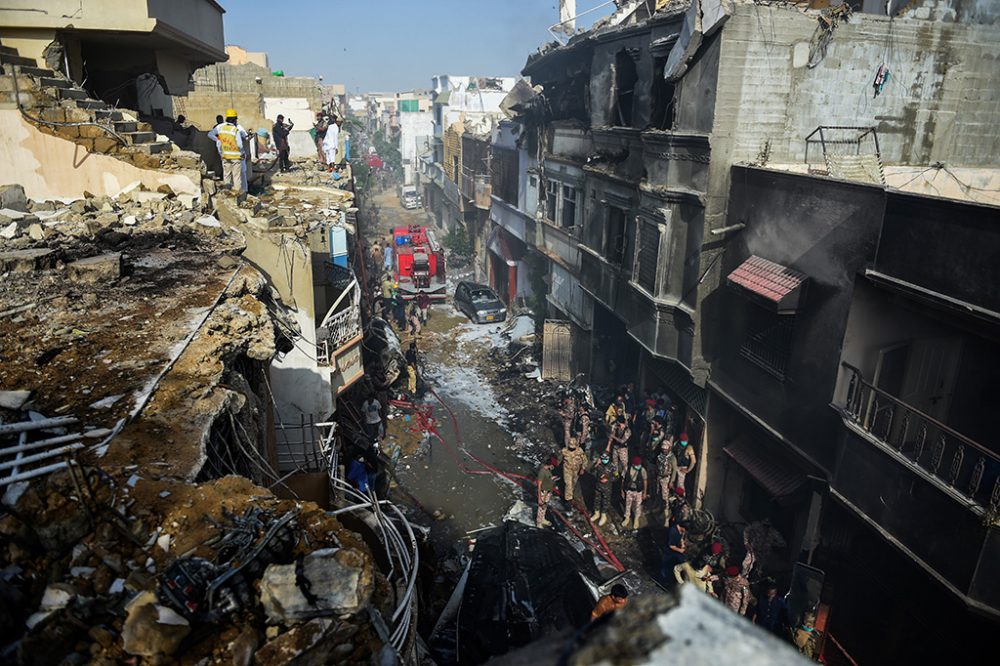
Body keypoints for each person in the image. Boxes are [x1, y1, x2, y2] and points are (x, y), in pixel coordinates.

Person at [207, 109, 247, 196]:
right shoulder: (234, 130)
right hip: (235, 157)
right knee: (236, 176)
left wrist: (218, 141)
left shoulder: (221, 129)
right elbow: (240, 145)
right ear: (234, 120)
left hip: (225, 156)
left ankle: (226, 192)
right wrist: (242, 153)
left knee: (227, 175)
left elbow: (212, 135)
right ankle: (237, 195)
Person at [655, 438, 678, 526]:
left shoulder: (672, 458)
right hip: (659, 477)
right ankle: (661, 512)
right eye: (663, 449)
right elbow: (657, 465)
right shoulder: (660, 456)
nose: (664, 450)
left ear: (669, 448)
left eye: (666, 449)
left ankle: (666, 519)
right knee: (659, 495)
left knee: (665, 499)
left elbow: (674, 470)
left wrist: (671, 481)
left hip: (666, 479)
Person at [620, 455, 647, 530]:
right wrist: (621, 490)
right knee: (627, 505)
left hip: (638, 491)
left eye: (639, 464)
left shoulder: (642, 470)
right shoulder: (627, 469)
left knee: (638, 506)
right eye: (637, 465)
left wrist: (645, 492)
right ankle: (627, 517)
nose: (638, 466)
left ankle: (636, 519)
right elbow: (623, 480)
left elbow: (645, 481)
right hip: (629, 490)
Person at [590, 450, 616, 526]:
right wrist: (596, 464)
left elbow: (616, 477)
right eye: (603, 458)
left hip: (607, 488)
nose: (604, 460)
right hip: (598, 487)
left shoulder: (612, 466)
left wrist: (608, 479)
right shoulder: (598, 464)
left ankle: (603, 515)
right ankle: (596, 513)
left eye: (606, 458)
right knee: (596, 500)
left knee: (605, 502)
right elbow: (591, 471)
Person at [559, 437, 588, 503]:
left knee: (573, 483)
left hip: (576, 470)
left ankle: (570, 494)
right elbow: (560, 459)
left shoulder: (580, 451)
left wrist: (582, 468)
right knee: (568, 483)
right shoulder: (564, 451)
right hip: (567, 470)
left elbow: (585, 460)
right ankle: (568, 499)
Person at [661, 520, 687, 585]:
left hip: (676, 549)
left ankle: (674, 576)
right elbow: (671, 546)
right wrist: (680, 550)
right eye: (685, 530)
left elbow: (681, 538)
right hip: (669, 551)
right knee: (666, 565)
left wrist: (682, 543)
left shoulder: (681, 530)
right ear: (682, 527)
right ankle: (664, 581)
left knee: (680, 561)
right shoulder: (673, 531)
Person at [536, 456, 558, 528]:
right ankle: (539, 523)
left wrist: (551, 478)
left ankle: (543, 519)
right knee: (541, 507)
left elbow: (548, 478)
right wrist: (539, 497)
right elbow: (539, 485)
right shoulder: (542, 472)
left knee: (544, 506)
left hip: (548, 490)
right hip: (543, 492)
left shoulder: (548, 470)